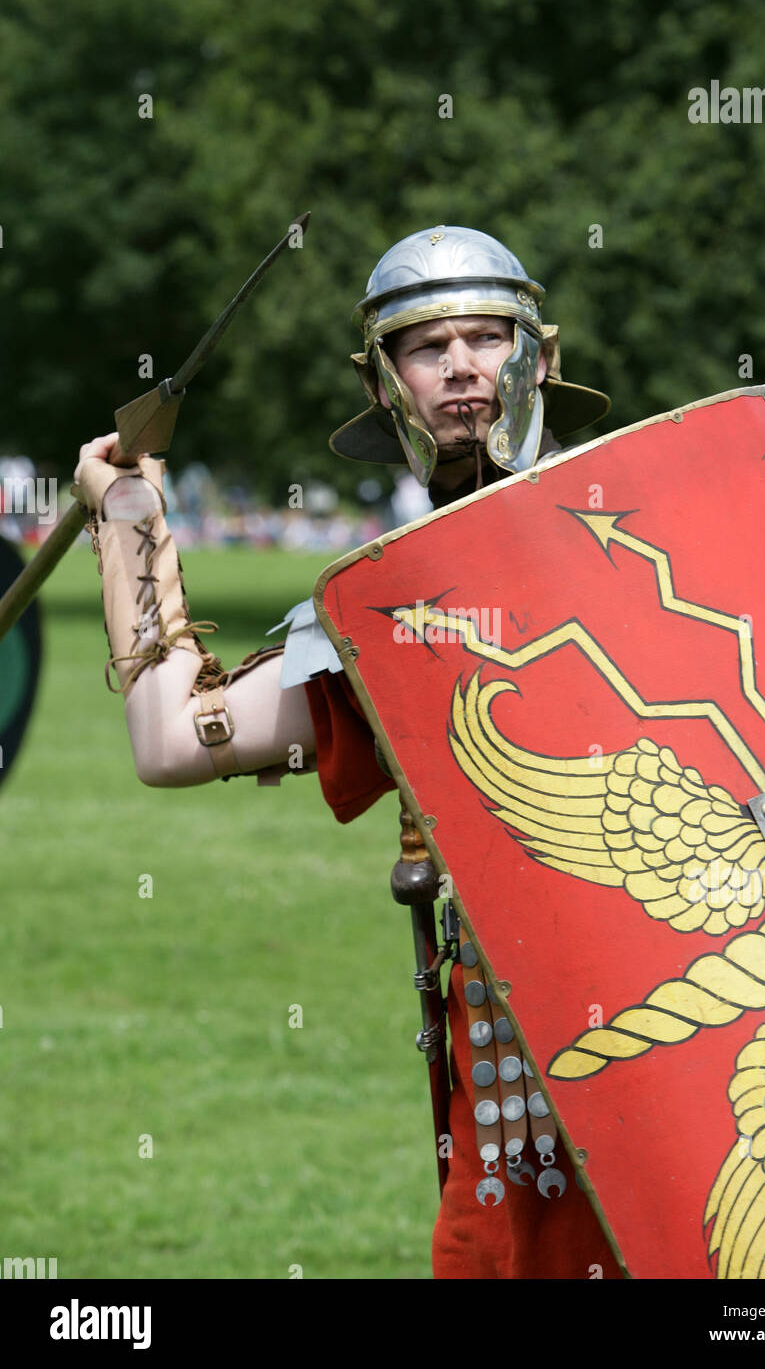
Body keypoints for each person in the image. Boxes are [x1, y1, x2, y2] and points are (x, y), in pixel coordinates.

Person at [73, 225, 623, 1278]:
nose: (462, 366)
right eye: (428, 347)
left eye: (488, 337)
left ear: (540, 360)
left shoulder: (658, 537)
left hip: (733, 1063)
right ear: (384, 388)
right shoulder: (396, 615)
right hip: (525, 1105)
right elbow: (171, 737)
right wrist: (135, 514)